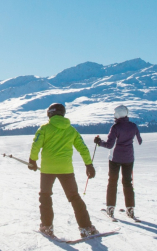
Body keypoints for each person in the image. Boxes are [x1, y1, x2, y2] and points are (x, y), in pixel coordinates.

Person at [28, 103, 100, 240]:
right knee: (74, 197)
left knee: (45, 196)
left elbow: (36, 144)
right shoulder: (71, 130)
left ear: (50, 113)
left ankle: (46, 226)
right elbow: (83, 148)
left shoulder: (44, 128)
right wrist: (88, 165)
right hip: (66, 169)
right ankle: (86, 227)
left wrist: (32, 160)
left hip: (47, 170)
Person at [94, 105, 142, 220]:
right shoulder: (133, 126)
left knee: (112, 182)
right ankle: (130, 209)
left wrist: (99, 142)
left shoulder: (115, 127)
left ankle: (110, 208)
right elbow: (138, 141)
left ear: (117, 115)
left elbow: (109, 145)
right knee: (127, 183)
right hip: (128, 159)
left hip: (114, 159)